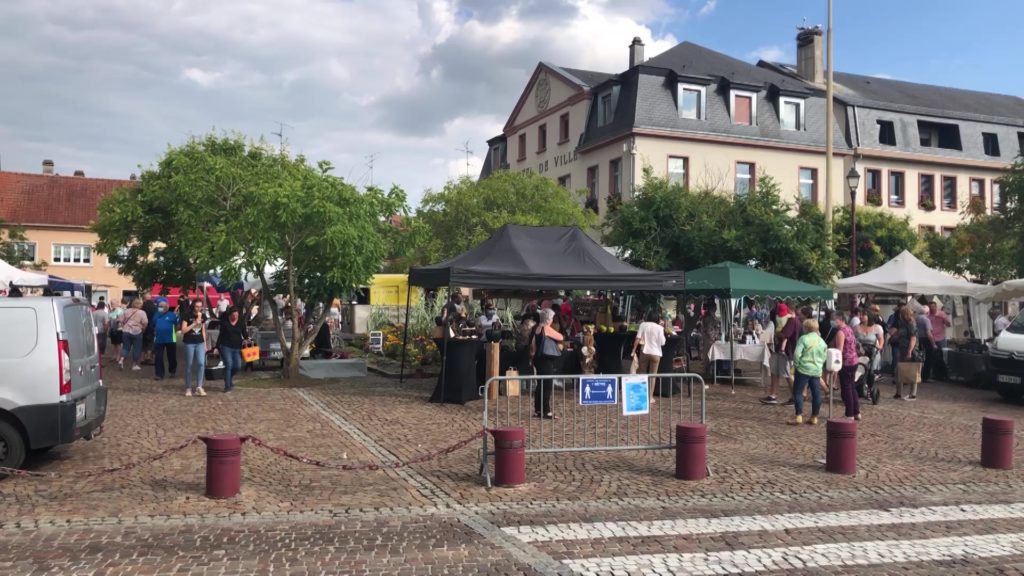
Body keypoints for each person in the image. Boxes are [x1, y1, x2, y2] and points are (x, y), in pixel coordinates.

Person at [788, 318, 827, 425]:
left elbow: (797, 354)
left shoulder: (803, 339)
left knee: (798, 392)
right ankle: (814, 417)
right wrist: (819, 365)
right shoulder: (821, 341)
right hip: (816, 371)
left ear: (806, 328)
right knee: (816, 394)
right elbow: (824, 356)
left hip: (803, 369)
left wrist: (796, 365)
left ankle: (799, 416)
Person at [529, 308, 563, 419]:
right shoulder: (546, 328)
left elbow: (533, 345)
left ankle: (538, 410)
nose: (552, 320)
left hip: (538, 359)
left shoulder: (537, 328)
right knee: (547, 385)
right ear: (548, 319)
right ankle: (546, 411)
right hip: (545, 360)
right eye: (552, 318)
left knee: (540, 384)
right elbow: (560, 337)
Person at [762, 303, 798, 405]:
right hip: (779, 350)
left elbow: (784, 335)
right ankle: (773, 395)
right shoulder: (785, 318)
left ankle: (795, 396)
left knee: (787, 374)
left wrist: (777, 333)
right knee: (774, 371)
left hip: (786, 352)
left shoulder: (792, 320)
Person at [632, 311, 667, 403]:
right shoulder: (660, 328)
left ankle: (640, 395)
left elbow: (637, 338)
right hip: (656, 353)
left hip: (644, 351)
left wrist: (633, 351)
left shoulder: (643, 325)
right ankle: (650, 397)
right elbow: (663, 342)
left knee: (642, 373)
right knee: (653, 376)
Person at [833, 311, 861, 420]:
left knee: (846, 388)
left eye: (835, 319)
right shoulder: (849, 329)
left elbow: (839, 350)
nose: (834, 321)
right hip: (854, 360)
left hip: (846, 362)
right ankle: (856, 411)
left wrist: (835, 364)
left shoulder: (841, 332)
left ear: (841, 319)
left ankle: (849, 413)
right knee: (852, 386)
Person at [181, 300, 209, 397]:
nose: (198, 309)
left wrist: (205, 344)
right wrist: (194, 323)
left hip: (200, 342)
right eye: (197, 306)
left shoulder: (203, 316)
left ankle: (199, 386)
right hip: (189, 342)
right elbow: (183, 330)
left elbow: (203, 330)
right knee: (189, 365)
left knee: (201, 363)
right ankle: (188, 387)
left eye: (200, 306)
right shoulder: (187, 315)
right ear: (193, 306)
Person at [893, 305, 921, 400]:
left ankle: (913, 394)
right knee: (899, 371)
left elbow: (913, 338)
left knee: (912, 372)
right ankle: (898, 393)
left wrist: (909, 351)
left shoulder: (911, 323)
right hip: (902, 349)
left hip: (910, 350)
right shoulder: (902, 323)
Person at [217, 307, 247, 393]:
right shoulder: (225, 323)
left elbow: (245, 334)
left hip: (237, 347)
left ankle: (227, 377)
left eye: (237, 315)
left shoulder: (241, 323)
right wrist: (217, 346)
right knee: (229, 365)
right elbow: (221, 335)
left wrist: (248, 339)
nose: (235, 317)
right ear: (230, 315)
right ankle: (227, 386)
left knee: (237, 366)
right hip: (226, 346)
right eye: (233, 315)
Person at [152, 299, 179, 381]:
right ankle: (159, 374)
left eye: (161, 306)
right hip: (159, 339)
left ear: (167, 307)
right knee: (158, 357)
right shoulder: (156, 314)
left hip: (170, 339)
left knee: (172, 357)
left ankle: (172, 371)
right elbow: (153, 324)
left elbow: (176, 325)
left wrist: (173, 332)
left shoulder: (172, 315)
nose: (159, 308)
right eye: (159, 306)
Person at [118, 299, 149, 371]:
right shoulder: (142, 312)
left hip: (126, 331)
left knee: (125, 347)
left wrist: (123, 326)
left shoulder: (127, 311)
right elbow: (145, 322)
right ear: (140, 304)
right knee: (137, 348)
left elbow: (120, 320)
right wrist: (143, 329)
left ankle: (121, 360)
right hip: (137, 331)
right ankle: (134, 365)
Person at [855, 308, 885, 373]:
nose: (861, 317)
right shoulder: (856, 327)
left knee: (871, 371)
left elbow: (881, 339)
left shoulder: (877, 327)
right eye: (860, 315)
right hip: (861, 352)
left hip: (873, 352)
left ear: (869, 316)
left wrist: (880, 346)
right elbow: (853, 339)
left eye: (863, 315)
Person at [927, 299, 951, 381]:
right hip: (931, 338)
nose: (932, 309)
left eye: (933, 307)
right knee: (933, 357)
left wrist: (944, 318)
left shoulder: (941, 314)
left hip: (940, 338)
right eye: (930, 307)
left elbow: (949, 324)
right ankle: (936, 374)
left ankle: (944, 374)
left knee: (941, 356)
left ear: (936, 307)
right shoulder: (928, 315)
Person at [914, 297, 936, 383]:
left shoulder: (915, 318)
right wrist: (933, 343)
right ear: (927, 312)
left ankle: (918, 374)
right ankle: (925, 376)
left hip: (917, 340)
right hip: (925, 340)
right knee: (928, 358)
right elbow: (928, 333)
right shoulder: (926, 320)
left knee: (918, 358)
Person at [699, 300, 721, 380]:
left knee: (710, 356)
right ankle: (707, 373)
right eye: (714, 307)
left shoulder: (712, 316)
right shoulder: (708, 317)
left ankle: (710, 372)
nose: (715, 308)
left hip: (712, 339)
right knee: (708, 356)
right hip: (709, 339)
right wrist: (715, 338)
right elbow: (709, 330)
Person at [141, 293, 158, 365]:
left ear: (144, 299)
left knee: (143, 342)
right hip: (152, 326)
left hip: (143, 327)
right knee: (150, 342)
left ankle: (143, 358)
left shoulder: (142, 307)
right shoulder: (155, 307)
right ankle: (148, 357)